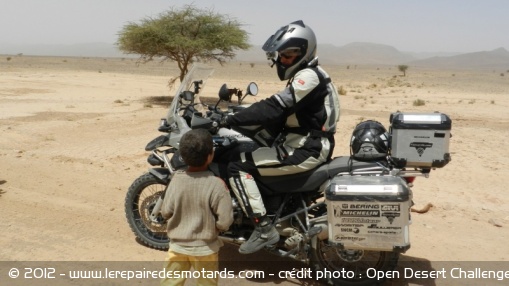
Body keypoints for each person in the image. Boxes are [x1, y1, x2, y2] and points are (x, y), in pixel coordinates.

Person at [219, 20, 340, 254]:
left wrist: (228, 120)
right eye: (280, 56)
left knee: (238, 166)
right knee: (248, 149)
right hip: (305, 143)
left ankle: (263, 228)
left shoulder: (308, 77)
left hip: (306, 149)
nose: (282, 60)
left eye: (287, 55)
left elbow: (276, 106)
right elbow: (282, 111)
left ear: (302, 53)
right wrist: (241, 114)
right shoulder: (312, 73)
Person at [160, 129, 234, 286]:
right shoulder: (217, 184)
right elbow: (225, 221)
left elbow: (165, 211)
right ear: (210, 156)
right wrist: (217, 227)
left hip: (177, 246)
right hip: (205, 249)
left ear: (183, 156)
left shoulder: (176, 180)